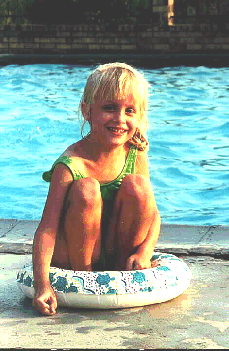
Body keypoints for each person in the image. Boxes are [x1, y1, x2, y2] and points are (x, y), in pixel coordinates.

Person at [32, 62, 161, 316]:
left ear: (140, 116)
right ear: (87, 111)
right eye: (109, 108)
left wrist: (145, 252)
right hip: (76, 259)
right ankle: (88, 277)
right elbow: (47, 229)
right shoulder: (70, 164)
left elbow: (153, 215)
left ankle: (123, 270)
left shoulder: (135, 153)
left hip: (116, 252)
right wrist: (42, 284)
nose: (120, 119)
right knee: (87, 190)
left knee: (139, 187)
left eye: (129, 110)